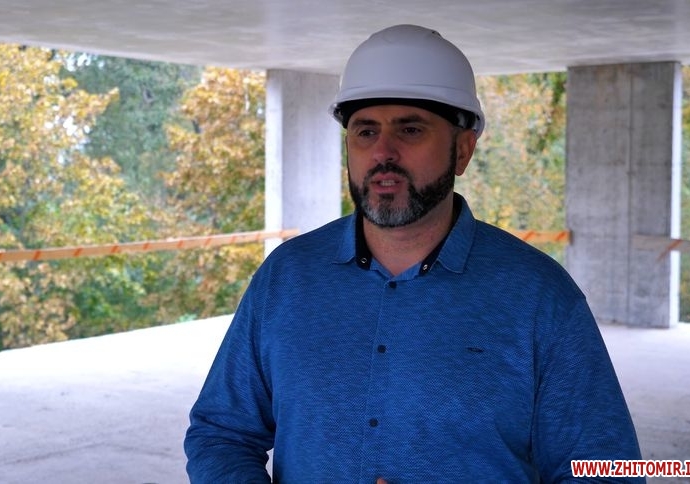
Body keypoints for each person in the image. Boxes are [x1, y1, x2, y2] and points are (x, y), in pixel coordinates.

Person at [184, 24, 643, 483]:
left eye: (410, 129)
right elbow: (220, 434)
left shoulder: (539, 297)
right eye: (366, 131)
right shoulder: (287, 278)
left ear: (463, 150)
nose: (383, 152)